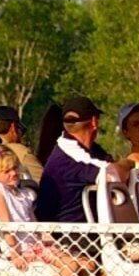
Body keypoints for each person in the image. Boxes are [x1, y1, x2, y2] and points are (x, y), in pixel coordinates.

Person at [38, 94, 115, 228]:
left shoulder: (93, 150)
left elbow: (109, 163)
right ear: (94, 122)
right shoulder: (69, 156)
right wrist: (131, 162)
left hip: (89, 236)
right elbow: (111, 175)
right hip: (72, 239)